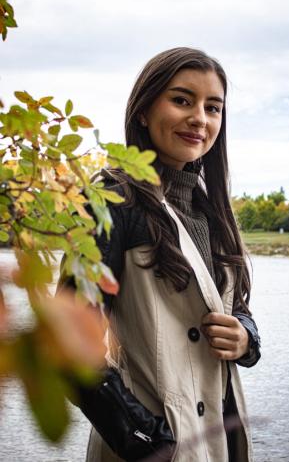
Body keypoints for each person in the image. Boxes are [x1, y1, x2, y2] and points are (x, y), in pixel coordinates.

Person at [66, 47, 261, 462]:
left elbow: (234, 306)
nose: (200, 119)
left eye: (213, 107)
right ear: (142, 110)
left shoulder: (211, 209)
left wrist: (245, 337)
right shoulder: (111, 199)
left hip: (218, 440)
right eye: (182, 100)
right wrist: (149, 440)